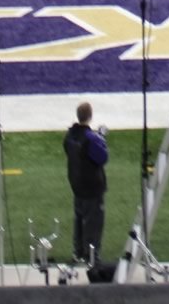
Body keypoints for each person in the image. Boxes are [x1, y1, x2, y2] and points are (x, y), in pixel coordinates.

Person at [64, 102, 109, 266]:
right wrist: (101, 137)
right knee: (93, 223)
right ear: (90, 116)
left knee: (79, 220)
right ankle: (92, 256)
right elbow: (103, 157)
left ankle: (78, 253)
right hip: (92, 187)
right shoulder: (91, 138)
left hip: (77, 185)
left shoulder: (69, 136)